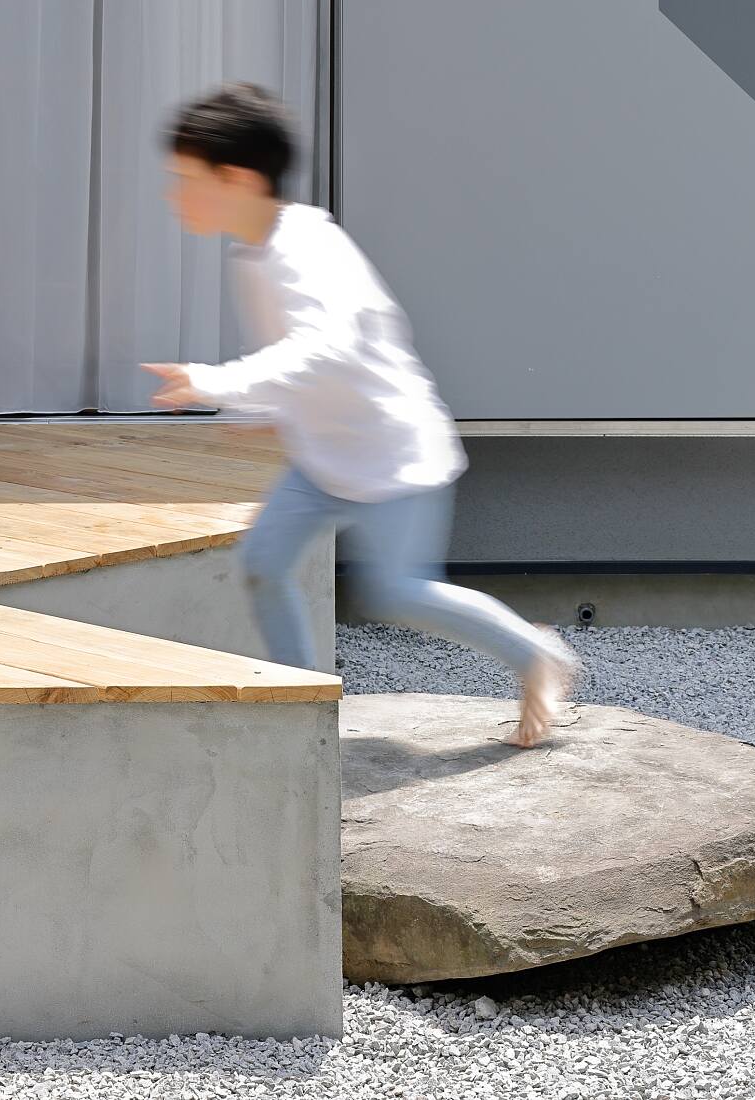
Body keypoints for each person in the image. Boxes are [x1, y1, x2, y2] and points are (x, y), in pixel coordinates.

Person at [142, 81, 577, 747]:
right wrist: (262, 407)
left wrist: (215, 382)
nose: (174, 195)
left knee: (400, 592)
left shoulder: (305, 249)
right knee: (263, 561)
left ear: (237, 177)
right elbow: (311, 365)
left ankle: (536, 654)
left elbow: (326, 348)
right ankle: (301, 708)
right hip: (325, 460)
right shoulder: (254, 251)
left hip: (394, 458)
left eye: (184, 179)